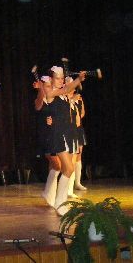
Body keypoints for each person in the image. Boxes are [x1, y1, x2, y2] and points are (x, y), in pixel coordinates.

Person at [44, 66, 86, 215]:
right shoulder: (50, 92)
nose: (61, 80)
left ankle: (59, 202)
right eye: (57, 78)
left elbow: (67, 91)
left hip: (66, 135)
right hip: (58, 136)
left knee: (68, 168)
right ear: (51, 79)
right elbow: (66, 89)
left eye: (62, 78)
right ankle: (60, 204)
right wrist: (78, 79)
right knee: (68, 168)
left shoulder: (64, 96)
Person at [34, 75, 61, 208]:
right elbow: (38, 105)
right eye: (47, 86)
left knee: (53, 165)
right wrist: (40, 89)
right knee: (57, 165)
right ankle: (47, 192)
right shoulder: (39, 100)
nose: (50, 88)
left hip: (54, 134)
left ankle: (50, 194)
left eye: (51, 86)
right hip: (45, 136)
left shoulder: (54, 100)